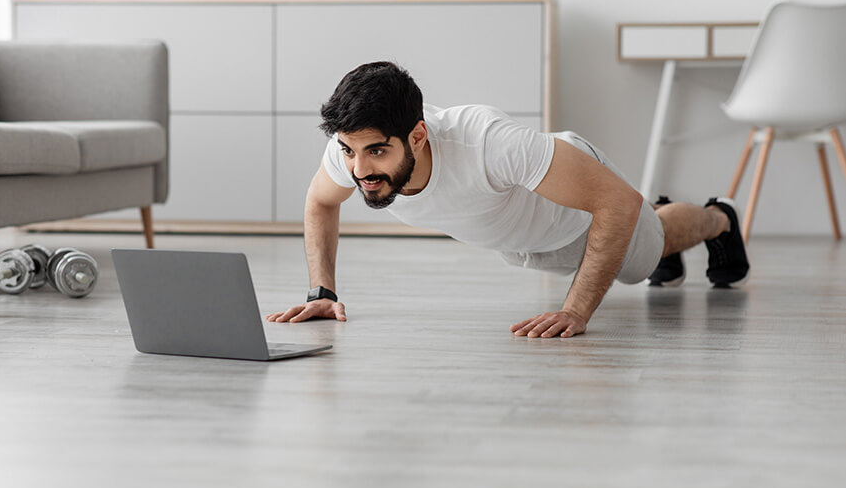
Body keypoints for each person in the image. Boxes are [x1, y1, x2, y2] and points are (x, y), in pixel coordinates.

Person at [266, 62, 749, 338]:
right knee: (646, 244)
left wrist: (575, 312)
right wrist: (322, 293)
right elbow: (320, 202)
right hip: (527, 239)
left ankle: (718, 219)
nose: (359, 171)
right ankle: (659, 225)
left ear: (417, 136)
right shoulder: (350, 149)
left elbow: (618, 204)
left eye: (376, 152)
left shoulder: (486, 142)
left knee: (647, 253)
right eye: (349, 152)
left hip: (579, 210)